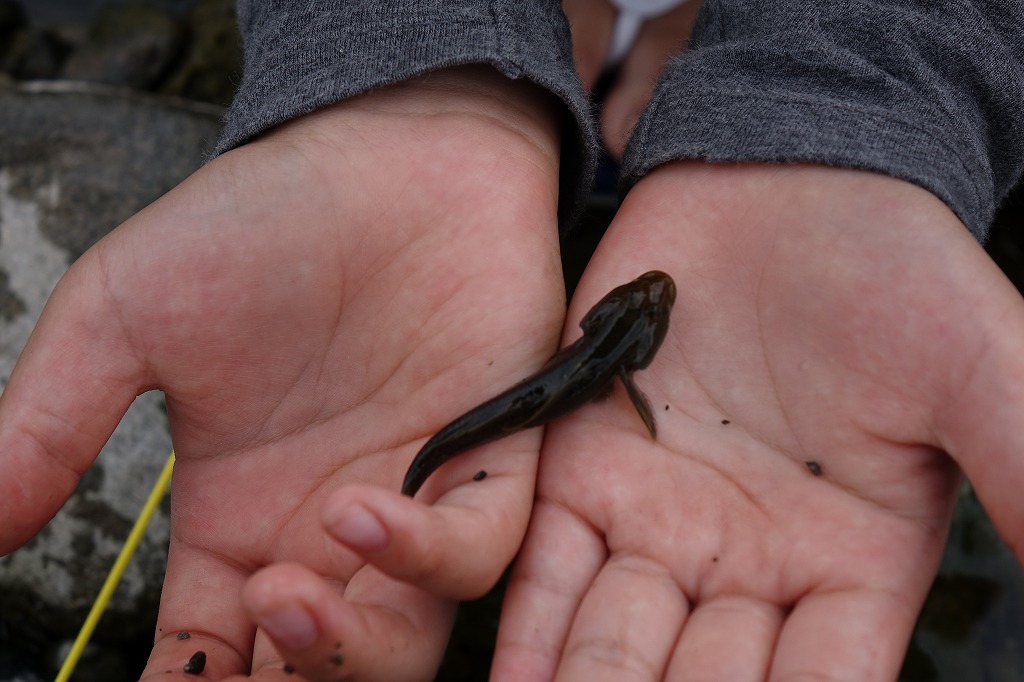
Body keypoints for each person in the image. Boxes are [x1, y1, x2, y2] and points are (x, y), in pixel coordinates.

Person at [0, 1, 1021, 681]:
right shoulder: (617, 362)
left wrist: (852, 95)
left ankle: (615, 38)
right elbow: (617, 374)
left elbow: (615, 364)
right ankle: (558, 37)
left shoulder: (614, 356)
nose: (648, 309)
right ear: (627, 336)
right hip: (534, 379)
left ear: (620, 331)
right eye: (645, 308)